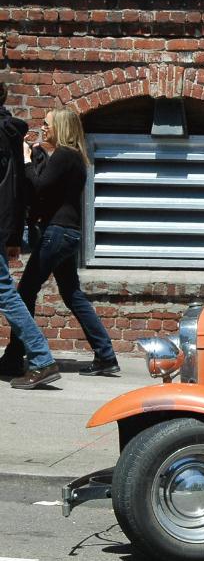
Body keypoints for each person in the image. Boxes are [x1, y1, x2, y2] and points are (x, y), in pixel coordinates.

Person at [0, 106, 118, 385]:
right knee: (72, 294)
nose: (43, 127)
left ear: (62, 128)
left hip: (58, 233)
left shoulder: (66, 155)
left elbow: (39, 186)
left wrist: (27, 160)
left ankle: (18, 357)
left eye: (48, 124)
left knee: (25, 291)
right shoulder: (73, 158)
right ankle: (106, 355)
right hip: (67, 233)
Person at [0, 81, 60, 389]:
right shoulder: (10, 134)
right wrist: (10, 235)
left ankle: (41, 358)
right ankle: (37, 358)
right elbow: (14, 190)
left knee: (5, 294)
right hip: (3, 224)